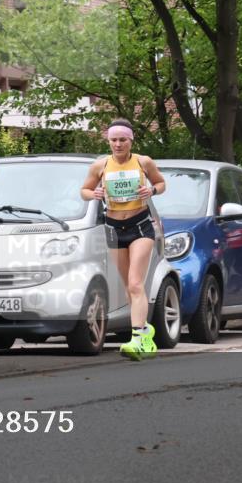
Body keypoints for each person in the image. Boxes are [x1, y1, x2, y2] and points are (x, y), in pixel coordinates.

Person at [80, 119, 166, 360]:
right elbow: (84, 191)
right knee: (129, 286)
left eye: (122, 140)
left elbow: (161, 182)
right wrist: (94, 194)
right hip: (114, 226)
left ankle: (138, 338)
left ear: (131, 140)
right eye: (113, 140)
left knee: (136, 283)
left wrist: (152, 190)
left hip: (140, 225)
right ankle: (146, 332)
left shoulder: (143, 161)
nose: (118, 144)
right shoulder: (100, 166)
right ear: (108, 141)